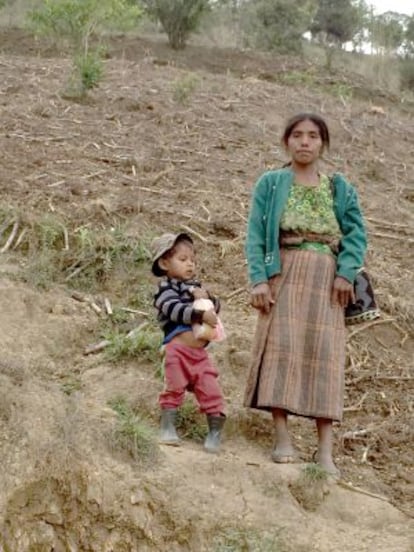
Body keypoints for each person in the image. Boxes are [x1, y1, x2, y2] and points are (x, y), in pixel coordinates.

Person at [244, 112, 367, 477]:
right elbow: (255, 234)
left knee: (324, 357)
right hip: (284, 272)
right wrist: (259, 280)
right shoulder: (270, 183)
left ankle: (324, 451)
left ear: (323, 144)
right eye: (297, 135)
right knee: (281, 351)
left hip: (328, 282)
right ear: (287, 142)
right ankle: (282, 438)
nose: (305, 142)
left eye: (313, 136)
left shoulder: (339, 188)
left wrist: (346, 273)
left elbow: (356, 234)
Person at [151, 232, 226, 453]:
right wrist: (199, 313)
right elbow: (174, 310)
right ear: (165, 263)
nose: (190, 264)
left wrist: (207, 299)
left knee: (211, 389)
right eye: (182, 260)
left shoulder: (196, 287)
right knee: (174, 386)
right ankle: (167, 428)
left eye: (192, 260)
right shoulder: (165, 290)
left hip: (200, 355)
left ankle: (215, 433)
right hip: (177, 351)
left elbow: (215, 306)